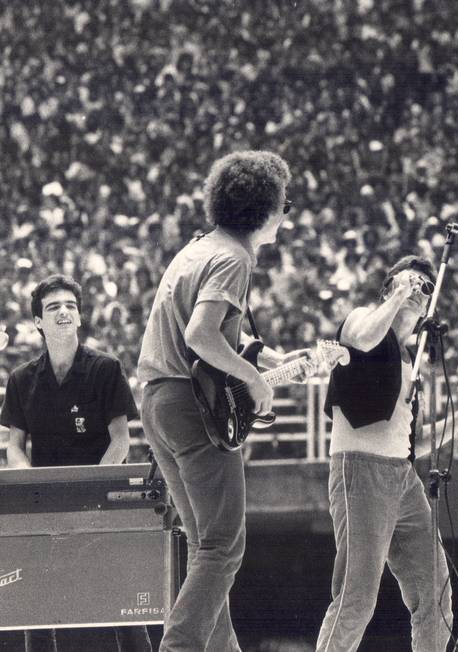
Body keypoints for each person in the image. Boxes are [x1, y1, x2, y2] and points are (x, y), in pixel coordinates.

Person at [136, 150, 303, 651]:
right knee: (225, 549)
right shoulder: (234, 258)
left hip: (158, 403)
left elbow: (210, 339)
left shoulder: (198, 248)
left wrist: (270, 358)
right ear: (266, 208)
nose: (286, 214)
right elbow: (202, 337)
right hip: (190, 408)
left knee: (206, 546)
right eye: (285, 205)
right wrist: (256, 381)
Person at [316, 255, 458, 652]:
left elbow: (413, 444)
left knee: (436, 591)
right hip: (360, 469)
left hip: (402, 477)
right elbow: (365, 338)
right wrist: (398, 297)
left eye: (426, 287)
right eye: (412, 282)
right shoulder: (360, 318)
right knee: (356, 597)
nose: (420, 291)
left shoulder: (410, 363)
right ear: (388, 286)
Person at [0, 273, 150, 652]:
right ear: (38, 322)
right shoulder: (20, 379)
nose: (63, 312)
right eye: (53, 307)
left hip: (102, 500)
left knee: (123, 606)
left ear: (80, 317)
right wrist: (30, 482)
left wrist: (92, 489)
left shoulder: (106, 368)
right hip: (44, 506)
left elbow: (121, 440)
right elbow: (14, 446)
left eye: (70, 306)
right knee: (39, 608)